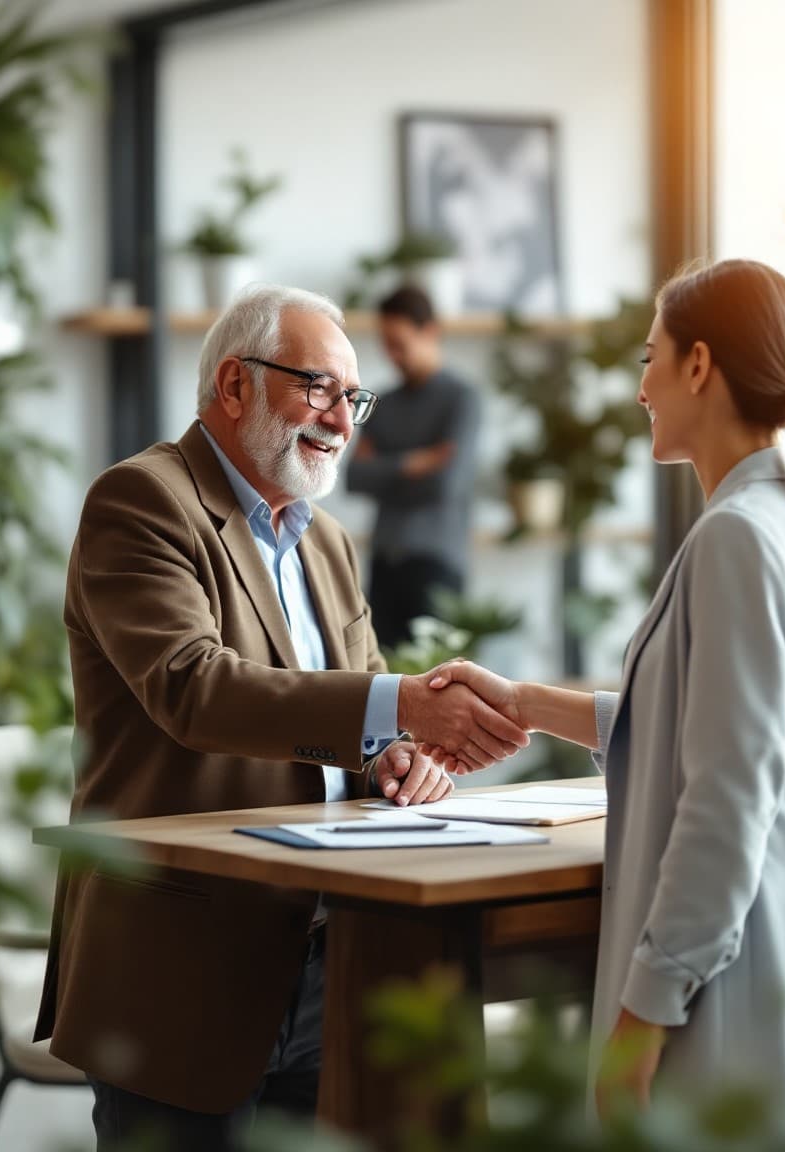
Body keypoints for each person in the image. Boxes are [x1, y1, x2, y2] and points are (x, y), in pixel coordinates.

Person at [34, 286, 528, 1152]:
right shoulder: (142, 501)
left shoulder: (327, 540)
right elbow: (194, 687)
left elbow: (368, 707)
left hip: (334, 957)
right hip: (183, 963)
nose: (343, 419)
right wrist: (402, 705)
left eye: (354, 397)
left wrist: (403, 757)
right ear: (235, 384)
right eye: (320, 387)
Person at [428, 260, 785, 1137]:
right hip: (779, 979)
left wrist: (646, 1012)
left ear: (699, 365)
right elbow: (695, 727)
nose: (641, 388)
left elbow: (726, 798)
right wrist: (519, 700)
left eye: (650, 357)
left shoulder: (737, 539)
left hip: (726, 996)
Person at [345, 284, 480, 649]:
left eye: (399, 342)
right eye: (385, 343)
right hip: (384, 562)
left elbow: (445, 484)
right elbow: (354, 477)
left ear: (430, 331)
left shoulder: (461, 399)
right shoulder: (383, 403)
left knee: (438, 682)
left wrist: (385, 470)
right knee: (383, 679)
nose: (392, 354)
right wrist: (414, 462)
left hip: (437, 563)